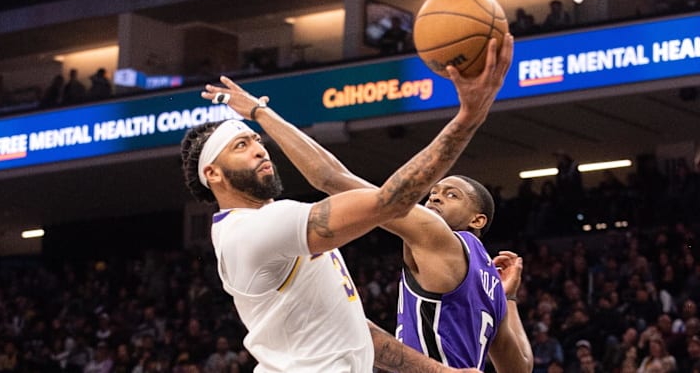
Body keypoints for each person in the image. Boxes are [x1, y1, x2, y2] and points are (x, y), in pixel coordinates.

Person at [200, 33, 532, 372]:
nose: (434, 195)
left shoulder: (436, 235)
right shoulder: (491, 286)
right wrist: (508, 299)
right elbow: (521, 366)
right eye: (434, 190)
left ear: (478, 219)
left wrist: (469, 118)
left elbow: (334, 179)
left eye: (451, 194)